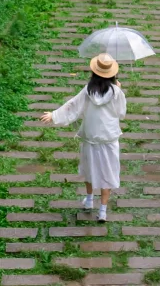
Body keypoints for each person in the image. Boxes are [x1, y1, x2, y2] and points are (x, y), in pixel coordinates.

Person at [40, 52, 126, 218]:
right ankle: (103, 211)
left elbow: (73, 105)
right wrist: (119, 91)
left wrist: (54, 115)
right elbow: (121, 113)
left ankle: (89, 199)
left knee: (89, 168)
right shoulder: (116, 93)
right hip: (108, 138)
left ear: (93, 73)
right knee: (107, 172)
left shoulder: (88, 90)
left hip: (90, 137)